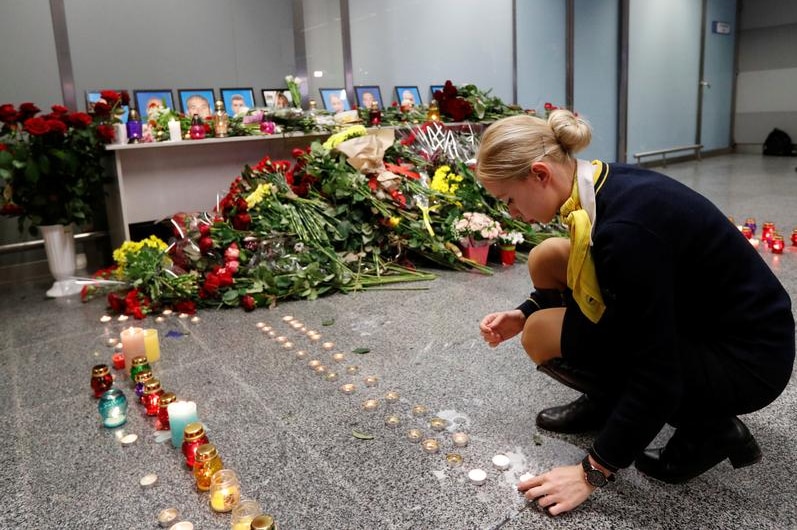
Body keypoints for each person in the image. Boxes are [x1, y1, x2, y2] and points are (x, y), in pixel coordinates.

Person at [476, 111, 794, 516]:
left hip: (746, 359)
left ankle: (709, 429)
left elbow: (657, 371)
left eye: (509, 200)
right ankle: (609, 402)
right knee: (548, 257)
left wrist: (593, 470)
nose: (511, 213)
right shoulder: (598, 183)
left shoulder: (626, 232)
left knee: (541, 335)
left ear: (539, 174)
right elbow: (592, 273)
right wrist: (525, 310)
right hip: (705, 318)